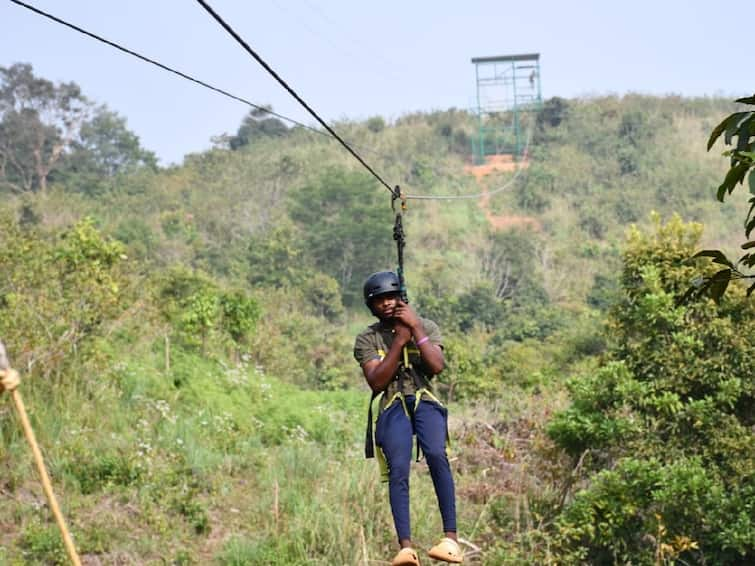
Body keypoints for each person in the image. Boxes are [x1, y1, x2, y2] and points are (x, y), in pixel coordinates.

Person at [354, 271, 462, 566]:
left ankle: (450, 538)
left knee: (437, 455)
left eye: (392, 297)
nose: (387, 304)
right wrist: (400, 341)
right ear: (371, 306)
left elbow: (436, 366)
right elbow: (377, 381)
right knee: (398, 467)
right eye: (380, 301)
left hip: (424, 398)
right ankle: (406, 547)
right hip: (392, 403)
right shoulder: (368, 337)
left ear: (402, 298)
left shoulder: (425, 326)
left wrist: (414, 328)